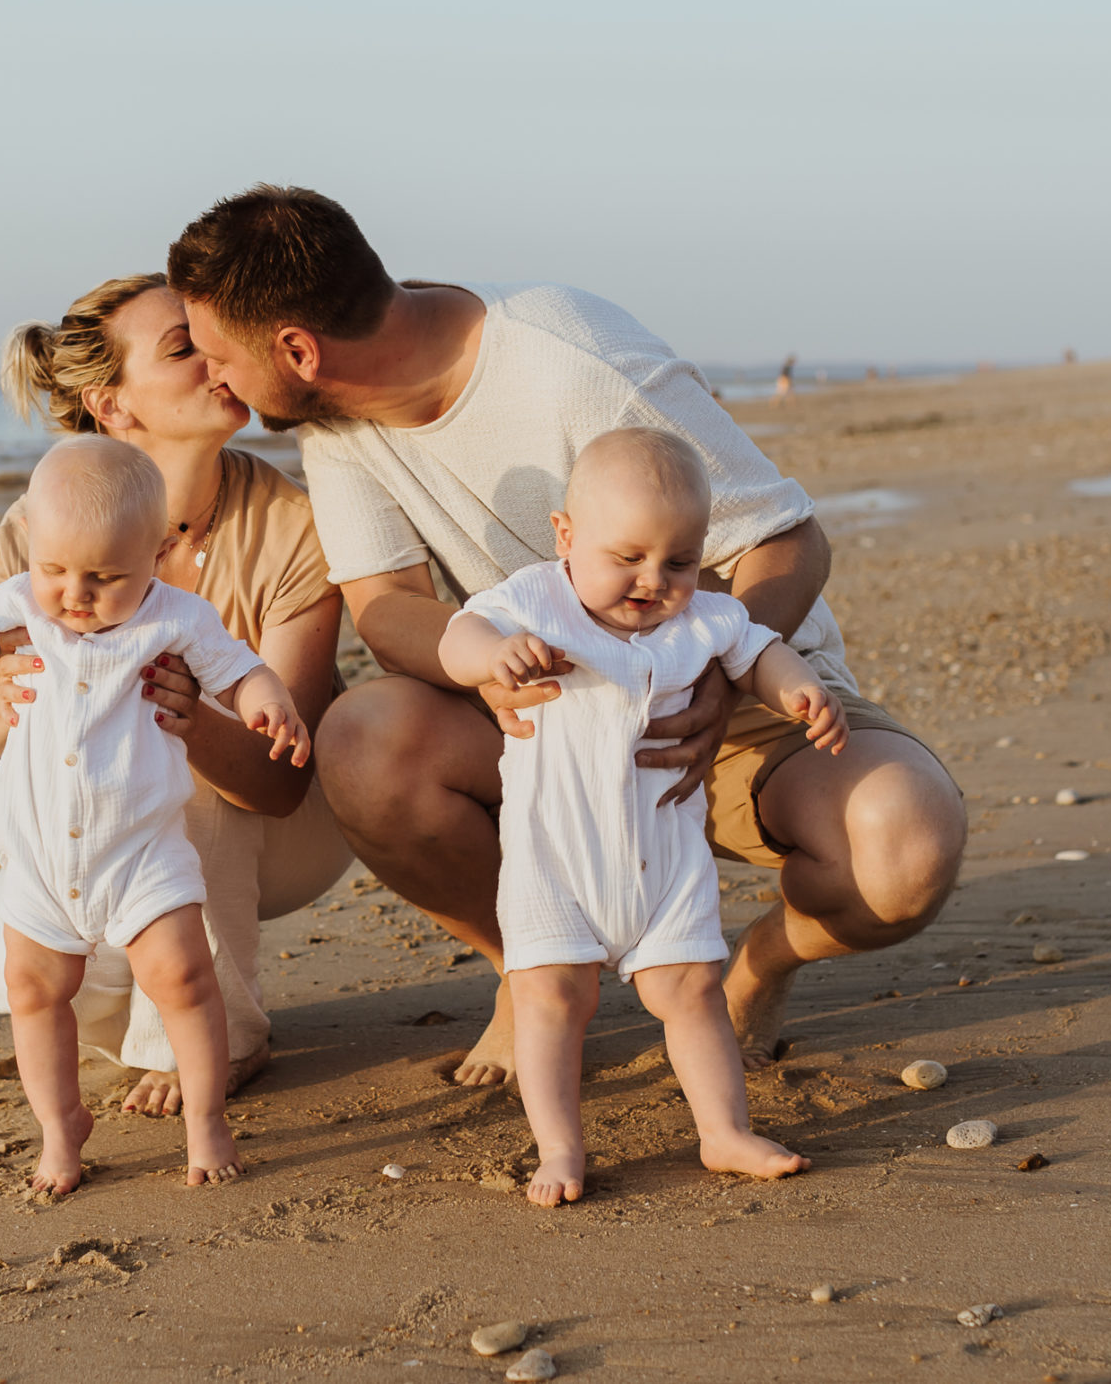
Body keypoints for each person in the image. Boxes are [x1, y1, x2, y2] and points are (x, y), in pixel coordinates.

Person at [165, 184, 965, 1085]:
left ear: (299, 349)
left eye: (217, 355)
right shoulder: (337, 426)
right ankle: (533, 973)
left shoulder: (571, 357)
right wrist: (487, 663)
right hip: (543, 716)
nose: (212, 379)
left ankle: (756, 969)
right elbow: (387, 612)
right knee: (364, 743)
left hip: (729, 695)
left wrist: (720, 682)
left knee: (906, 851)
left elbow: (786, 537)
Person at [0, 274, 352, 1119]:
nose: (217, 360)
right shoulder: (39, 533)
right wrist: (5, 696)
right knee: (44, 979)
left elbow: (281, 781)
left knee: (167, 741)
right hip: (110, 839)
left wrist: (189, 720)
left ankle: (226, 1037)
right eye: (183, 349)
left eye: (211, 338)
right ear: (112, 405)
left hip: (284, 825)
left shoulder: (292, 522)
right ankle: (161, 1004)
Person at [0, 438, 311, 1193]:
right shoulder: (18, 605)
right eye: (55, 571)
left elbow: (243, 673)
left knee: (184, 978)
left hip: (142, 851)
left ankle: (205, 1119)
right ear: (32, 551)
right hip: (39, 861)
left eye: (105, 577)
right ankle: (60, 1126)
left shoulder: (178, 619)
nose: (75, 594)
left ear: (158, 553)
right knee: (34, 992)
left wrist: (271, 708)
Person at [439, 430, 834, 1204]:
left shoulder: (703, 620)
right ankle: (558, 1149)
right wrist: (492, 658)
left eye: (679, 562)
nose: (654, 581)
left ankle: (723, 1132)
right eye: (627, 557)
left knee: (692, 992)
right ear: (566, 536)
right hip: (556, 860)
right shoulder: (535, 600)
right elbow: (458, 636)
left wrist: (797, 691)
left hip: (666, 854)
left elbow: (758, 652)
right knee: (552, 1000)